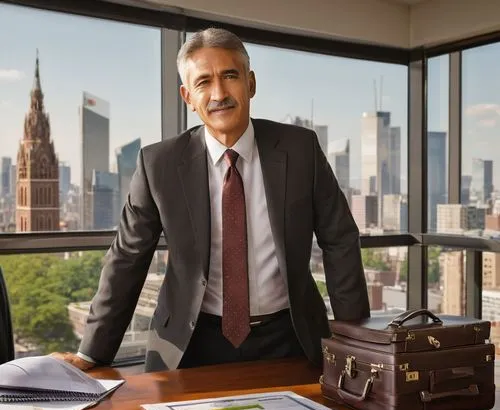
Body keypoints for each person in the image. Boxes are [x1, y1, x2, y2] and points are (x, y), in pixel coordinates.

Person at [52, 28, 370, 373]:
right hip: (189, 343)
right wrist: (91, 354)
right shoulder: (158, 164)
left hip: (291, 336)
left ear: (250, 84)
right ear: (188, 96)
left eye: (229, 76)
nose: (219, 93)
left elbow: (340, 241)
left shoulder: (300, 149)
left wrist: (357, 341)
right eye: (203, 82)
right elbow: (127, 258)